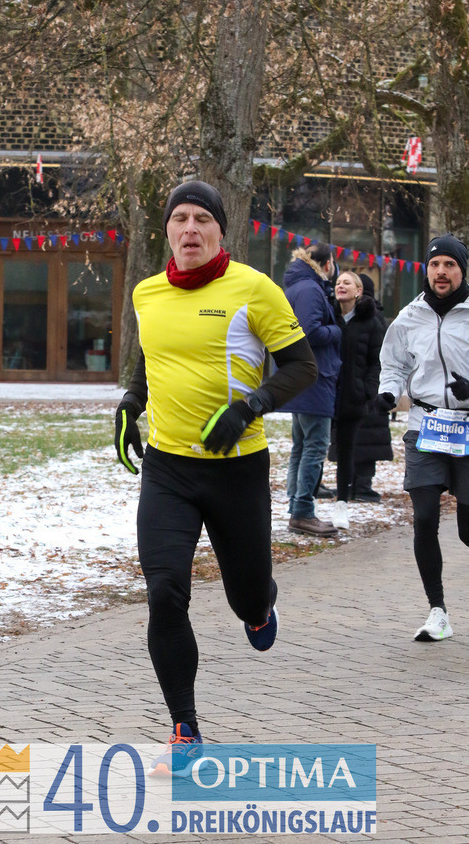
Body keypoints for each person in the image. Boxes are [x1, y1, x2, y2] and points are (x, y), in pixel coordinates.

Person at [114, 180, 317, 775]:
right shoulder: (147, 293)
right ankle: (185, 731)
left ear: (220, 230)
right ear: (167, 230)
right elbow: (151, 354)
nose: (191, 229)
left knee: (245, 597)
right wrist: (132, 399)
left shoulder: (255, 289)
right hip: (168, 469)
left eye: (203, 218)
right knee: (164, 590)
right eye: (180, 218)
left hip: (237, 470)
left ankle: (260, 607)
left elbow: (302, 366)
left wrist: (250, 406)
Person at [377, 234, 469, 641]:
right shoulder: (409, 316)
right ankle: (438, 611)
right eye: (435, 265)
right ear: (426, 270)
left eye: (450, 264)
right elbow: (393, 363)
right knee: (425, 518)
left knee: (467, 530)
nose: (441, 272)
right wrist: (387, 391)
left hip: (468, 428)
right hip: (426, 427)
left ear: (462, 269)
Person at [282, 243, 342, 537]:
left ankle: (297, 505)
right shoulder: (310, 289)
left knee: (301, 446)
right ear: (327, 263)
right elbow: (309, 331)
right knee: (314, 447)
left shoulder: (300, 285)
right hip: (313, 378)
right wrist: (337, 329)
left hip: (304, 378)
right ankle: (303, 511)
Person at [329, 270, 384, 529]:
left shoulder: (371, 321)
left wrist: (367, 390)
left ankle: (342, 503)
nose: (341, 285)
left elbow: (376, 360)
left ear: (358, 291)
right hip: (326, 395)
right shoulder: (328, 315)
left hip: (353, 397)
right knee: (315, 447)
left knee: (346, 451)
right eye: (338, 282)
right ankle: (306, 500)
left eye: (346, 282)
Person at [350, 273, 393, 501]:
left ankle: (355, 485)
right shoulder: (374, 316)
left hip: (360, 387)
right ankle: (361, 486)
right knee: (366, 442)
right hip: (369, 387)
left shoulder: (355, 315)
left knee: (359, 440)